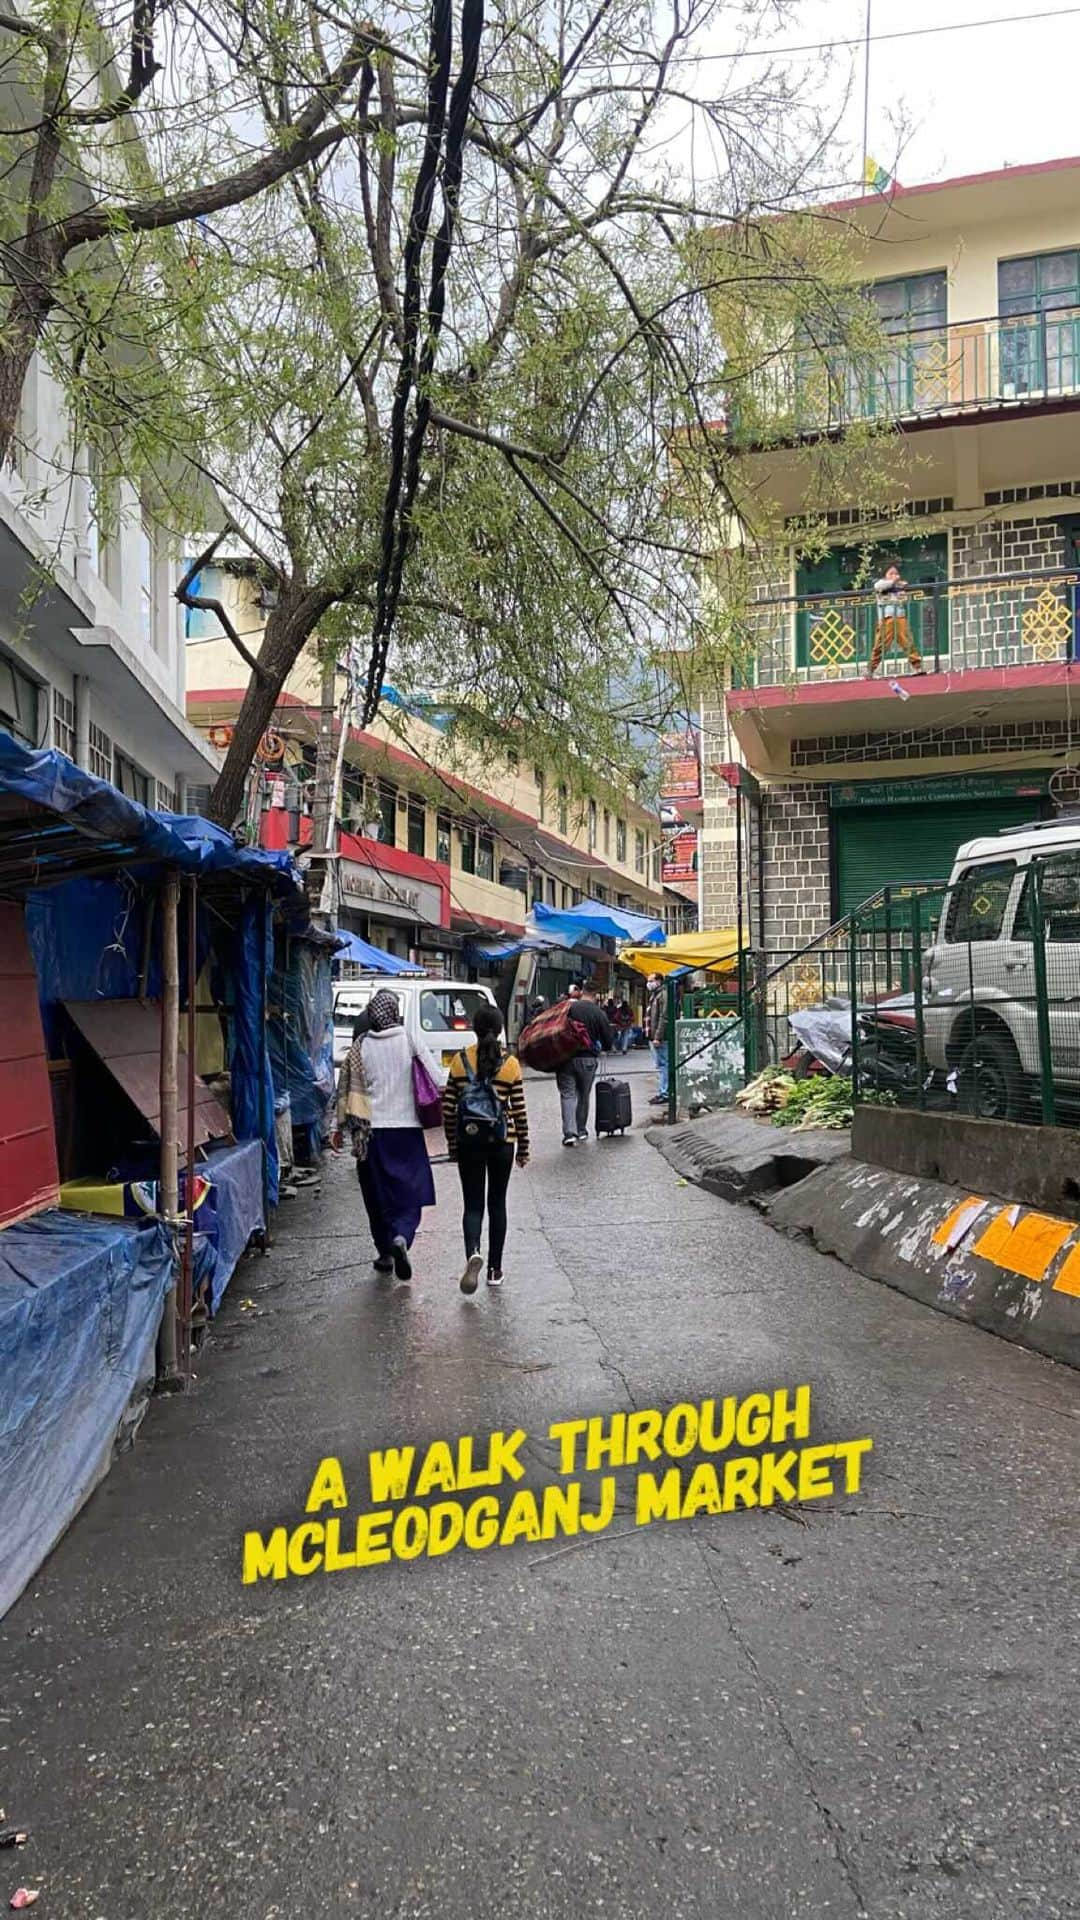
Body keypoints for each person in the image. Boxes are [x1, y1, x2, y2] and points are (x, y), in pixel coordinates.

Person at [333, 988, 439, 1280]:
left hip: (372, 1134)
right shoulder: (408, 1038)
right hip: (407, 1132)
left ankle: (384, 1253)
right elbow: (437, 1078)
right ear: (395, 1013)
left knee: (377, 1196)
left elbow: (345, 1089)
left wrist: (338, 1127)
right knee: (410, 1194)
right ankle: (402, 1236)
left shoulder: (360, 1046)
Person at [442, 1004, 530, 1294]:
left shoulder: (459, 1061)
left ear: (474, 1029)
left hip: (469, 1142)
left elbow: (448, 1107)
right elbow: (519, 1110)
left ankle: (473, 1253)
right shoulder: (511, 1064)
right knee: (497, 1204)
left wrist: (453, 1145)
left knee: (473, 1205)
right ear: (502, 1029)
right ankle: (494, 1270)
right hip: (502, 1143)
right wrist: (524, 1148)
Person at [556, 983, 614, 1145]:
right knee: (583, 1095)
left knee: (567, 1095)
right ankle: (581, 1130)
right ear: (595, 995)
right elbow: (608, 1041)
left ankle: (569, 1133)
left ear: (582, 993)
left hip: (565, 1059)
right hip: (588, 1060)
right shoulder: (598, 1013)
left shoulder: (568, 1008)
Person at [867, 563, 924, 678]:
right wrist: (894, 582)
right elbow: (880, 587)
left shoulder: (898, 586)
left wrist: (902, 586)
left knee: (908, 642)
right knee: (881, 645)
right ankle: (870, 670)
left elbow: (902, 597)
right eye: (891, 573)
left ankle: (918, 667)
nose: (894, 575)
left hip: (899, 617)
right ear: (885, 575)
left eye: (896, 573)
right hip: (886, 618)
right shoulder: (880, 583)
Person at [646, 973, 669, 1107]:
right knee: (661, 1065)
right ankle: (663, 1092)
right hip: (654, 1036)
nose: (649, 983)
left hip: (660, 1038)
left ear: (659, 981)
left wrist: (658, 1036)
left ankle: (664, 1093)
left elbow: (663, 1016)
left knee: (663, 1065)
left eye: (651, 981)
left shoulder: (663, 995)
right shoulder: (655, 995)